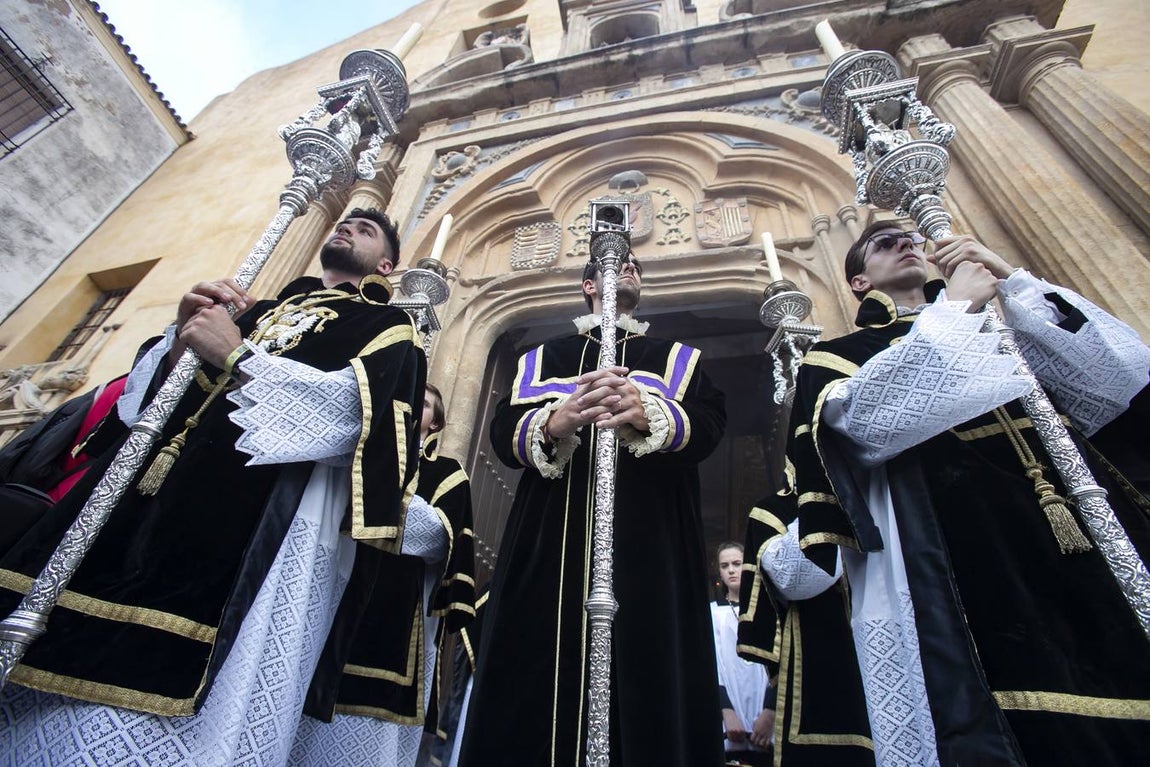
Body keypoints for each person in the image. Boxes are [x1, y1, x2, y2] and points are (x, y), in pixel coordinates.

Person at [0, 208, 427, 765]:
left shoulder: (388, 328)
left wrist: (238, 356)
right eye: (343, 223)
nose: (346, 229)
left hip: (258, 515)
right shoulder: (259, 309)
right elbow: (146, 406)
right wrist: (181, 340)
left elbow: (361, 420)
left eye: (366, 231)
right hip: (147, 495)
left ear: (387, 265)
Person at [773, 220, 1150, 766]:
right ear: (857, 281)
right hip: (958, 544)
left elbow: (1118, 379)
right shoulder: (838, 354)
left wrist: (1015, 283)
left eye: (910, 238)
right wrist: (954, 311)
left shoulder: (1006, 324)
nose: (906, 243)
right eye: (884, 243)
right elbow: (864, 421)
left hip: (1080, 520)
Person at [458, 254, 728, 766]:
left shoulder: (677, 358)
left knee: (651, 663)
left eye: (635, 267)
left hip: (652, 540)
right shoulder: (541, 359)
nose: (627, 270)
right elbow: (500, 435)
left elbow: (711, 424)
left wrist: (653, 412)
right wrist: (555, 422)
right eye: (614, 265)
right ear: (588, 285)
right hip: (552, 542)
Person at [290, 383, 475, 766]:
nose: (414, 407)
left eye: (425, 404)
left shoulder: (446, 472)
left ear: (436, 422)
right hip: (329, 589)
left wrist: (370, 493)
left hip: (392, 609)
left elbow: (437, 537)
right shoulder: (361, 448)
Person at [736, 468, 874, 767]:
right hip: (820, 672)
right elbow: (799, 577)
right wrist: (827, 500)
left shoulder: (889, 495)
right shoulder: (774, 511)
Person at [710, 541, 772, 766]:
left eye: (737, 563)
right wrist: (726, 711)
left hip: (765, 724)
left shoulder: (767, 610)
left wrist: (769, 712)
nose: (731, 570)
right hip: (729, 723)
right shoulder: (713, 613)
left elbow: (778, 663)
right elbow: (712, 666)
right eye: (725, 565)